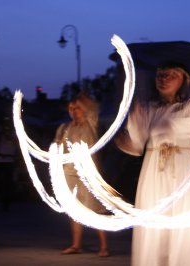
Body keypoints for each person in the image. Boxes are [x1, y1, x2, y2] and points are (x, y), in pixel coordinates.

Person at [116, 61, 190, 266]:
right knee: (154, 226)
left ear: (184, 80)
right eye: (160, 75)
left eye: (170, 75)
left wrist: (156, 125)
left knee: (184, 224)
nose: (163, 79)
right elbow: (136, 146)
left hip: (182, 171)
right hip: (153, 170)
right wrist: (125, 133)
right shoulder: (149, 108)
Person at [54, 93, 109, 257]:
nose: (74, 111)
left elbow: (93, 107)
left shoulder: (91, 123)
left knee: (95, 209)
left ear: (84, 109)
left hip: (89, 173)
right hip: (70, 173)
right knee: (74, 210)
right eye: (71, 109)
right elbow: (59, 149)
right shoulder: (65, 128)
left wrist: (79, 97)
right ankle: (76, 244)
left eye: (77, 108)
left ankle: (104, 247)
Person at [0, 117, 18, 211]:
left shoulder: (13, 133)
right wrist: (1, 134)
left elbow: (16, 144)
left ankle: (6, 202)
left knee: (8, 183)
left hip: (9, 160)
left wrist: (9, 136)